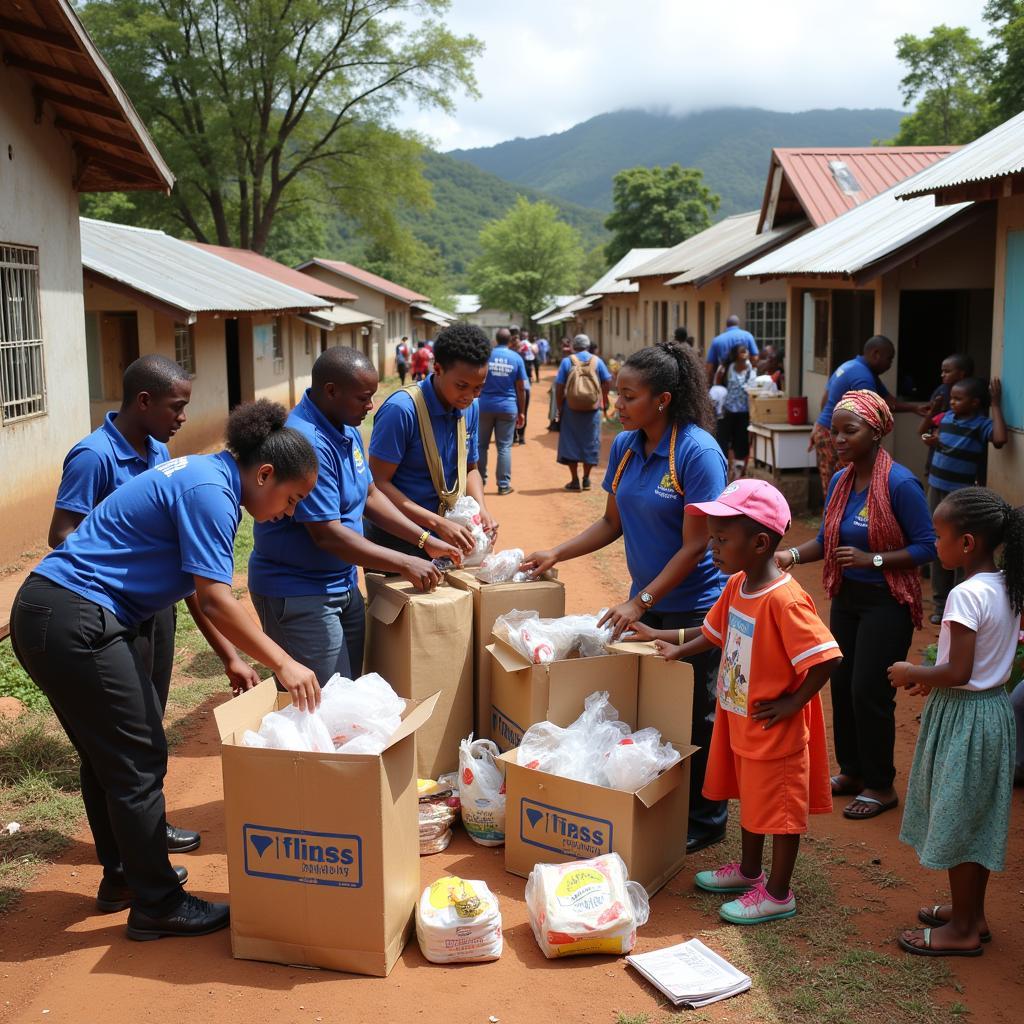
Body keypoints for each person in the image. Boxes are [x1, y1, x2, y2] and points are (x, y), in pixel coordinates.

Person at [9, 400, 321, 940]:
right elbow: (218, 596)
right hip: (74, 617)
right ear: (264, 474)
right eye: (291, 499)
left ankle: (126, 878)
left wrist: (230, 655)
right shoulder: (213, 494)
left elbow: (196, 587)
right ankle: (157, 902)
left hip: (54, 613)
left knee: (108, 757)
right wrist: (284, 662)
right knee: (137, 757)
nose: (290, 511)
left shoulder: (205, 476)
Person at [523, 341, 730, 853]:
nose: (617, 404)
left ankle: (705, 821)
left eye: (628, 396)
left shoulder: (696, 452)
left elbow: (697, 542)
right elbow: (611, 522)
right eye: (617, 393)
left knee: (698, 711)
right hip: (651, 601)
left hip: (696, 606)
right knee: (658, 710)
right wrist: (556, 553)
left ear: (662, 400)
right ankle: (664, 804)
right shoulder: (625, 445)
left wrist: (640, 602)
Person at [48, 354, 250, 857]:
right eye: (175, 406)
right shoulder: (94, 456)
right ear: (144, 401)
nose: (182, 417)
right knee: (118, 741)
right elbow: (62, 534)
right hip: (104, 606)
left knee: (147, 726)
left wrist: (228, 653)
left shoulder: (161, 451)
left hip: (153, 607)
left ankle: (147, 830)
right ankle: (124, 849)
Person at [636, 480, 841, 924]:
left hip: (775, 727)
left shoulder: (785, 600)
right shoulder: (736, 586)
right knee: (752, 798)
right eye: (712, 537)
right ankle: (750, 872)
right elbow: (711, 633)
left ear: (761, 542)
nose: (713, 547)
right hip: (741, 718)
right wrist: (668, 643)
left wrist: (793, 704)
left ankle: (779, 893)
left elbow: (826, 657)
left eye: (722, 539)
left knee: (781, 812)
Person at [249, 348, 461, 686]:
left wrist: (425, 540)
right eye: (364, 398)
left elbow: (370, 494)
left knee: (347, 689)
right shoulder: (306, 442)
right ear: (331, 391)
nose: (371, 406)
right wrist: (406, 562)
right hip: (300, 592)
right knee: (324, 701)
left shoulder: (345, 428)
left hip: (343, 583)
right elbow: (327, 534)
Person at [777, 390, 936, 821]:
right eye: (837, 430)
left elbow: (928, 545)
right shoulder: (843, 482)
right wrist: (789, 556)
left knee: (870, 690)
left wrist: (875, 559)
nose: (840, 439)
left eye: (852, 430)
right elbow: (828, 540)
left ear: (877, 430)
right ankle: (852, 771)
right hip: (846, 597)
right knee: (844, 686)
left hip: (888, 601)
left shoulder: (899, 483)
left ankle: (881, 784)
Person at [889, 487, 1023, 957]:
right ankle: (972, 914)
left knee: (961, 819)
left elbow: (959, 671)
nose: (933, 543)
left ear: (967, 543)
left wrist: (912, 673)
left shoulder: (965, 594)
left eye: (939, 535)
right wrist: (938, 678)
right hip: (991, 710)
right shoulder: (1006, 583)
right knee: (974, 816)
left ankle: (963, 929)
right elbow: (975, 663)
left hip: (967, 718)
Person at [368, 322, 496, 556]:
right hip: (399, 539)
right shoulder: (402, 410)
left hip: (446, 538)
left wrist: (482, 509)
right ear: (437, 368)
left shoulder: (470, 408)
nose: (470, 396)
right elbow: (378, 485)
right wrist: (436, 524)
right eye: (462, 386)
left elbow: (470, 469)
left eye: (479, 388)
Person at [923, 377, 1007, 624]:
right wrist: (933, 429)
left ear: (975, 402)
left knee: (961, 549)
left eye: (958, 399)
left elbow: (1000, 439)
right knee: (938, 545)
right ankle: (940, 602)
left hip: (961, 498)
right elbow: (923, 430)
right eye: (952, 398)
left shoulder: (981, 424)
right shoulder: (946, 418)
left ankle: (958, 600)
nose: (953, 402)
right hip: (936, 489)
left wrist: (996, 405)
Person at [809, 336, 924, 499]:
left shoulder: (850, 366)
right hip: (834, 434)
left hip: (827, 430)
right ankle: (834, 523)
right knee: (842, 489)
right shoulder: (863, 377)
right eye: (889, 359)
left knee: (837, 486)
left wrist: (915, 408)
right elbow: (871, 413)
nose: (890, 365)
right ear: (876, 354)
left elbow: (825, 400)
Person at [554, 334, 612, 491]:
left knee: (570, 442)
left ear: (574, 346)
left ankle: (574, 480)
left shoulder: (568, 361)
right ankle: (586, 479)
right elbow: (607, 381)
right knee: (590, 441)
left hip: (571, 408)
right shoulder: (596, 361)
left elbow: (559, 386)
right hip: (592, 410)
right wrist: (603, 399)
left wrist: (560, 407)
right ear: (588, 346)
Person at [478, 328, 527, 495]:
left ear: (496, 340)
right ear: (511, 341)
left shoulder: (486, 356)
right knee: (504, 447)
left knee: (480, 446)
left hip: (484, 406)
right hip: (507, 407)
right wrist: (521, 412)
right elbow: (521, 389)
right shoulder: (516, 358)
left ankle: (478, 482)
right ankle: (504, 485)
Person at [715, 343, 757, 480]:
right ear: (735, 355)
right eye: (742, 351)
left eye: (746, 351)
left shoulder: (752, 370)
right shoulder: (726, 369)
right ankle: (723, 474)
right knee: (722, 443)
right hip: (726, 413)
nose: (745, 353)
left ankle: (737, 476)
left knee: (741, 445)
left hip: (743, 413)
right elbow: (717, 387)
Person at [706, 315, 757, 386]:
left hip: (724, 380)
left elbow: (710, 366)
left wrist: (709, 384)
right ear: (738, 324)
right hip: (744, 380)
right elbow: (755, 358)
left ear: (726, 325)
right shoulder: (747, 336)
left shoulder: (717, 340)